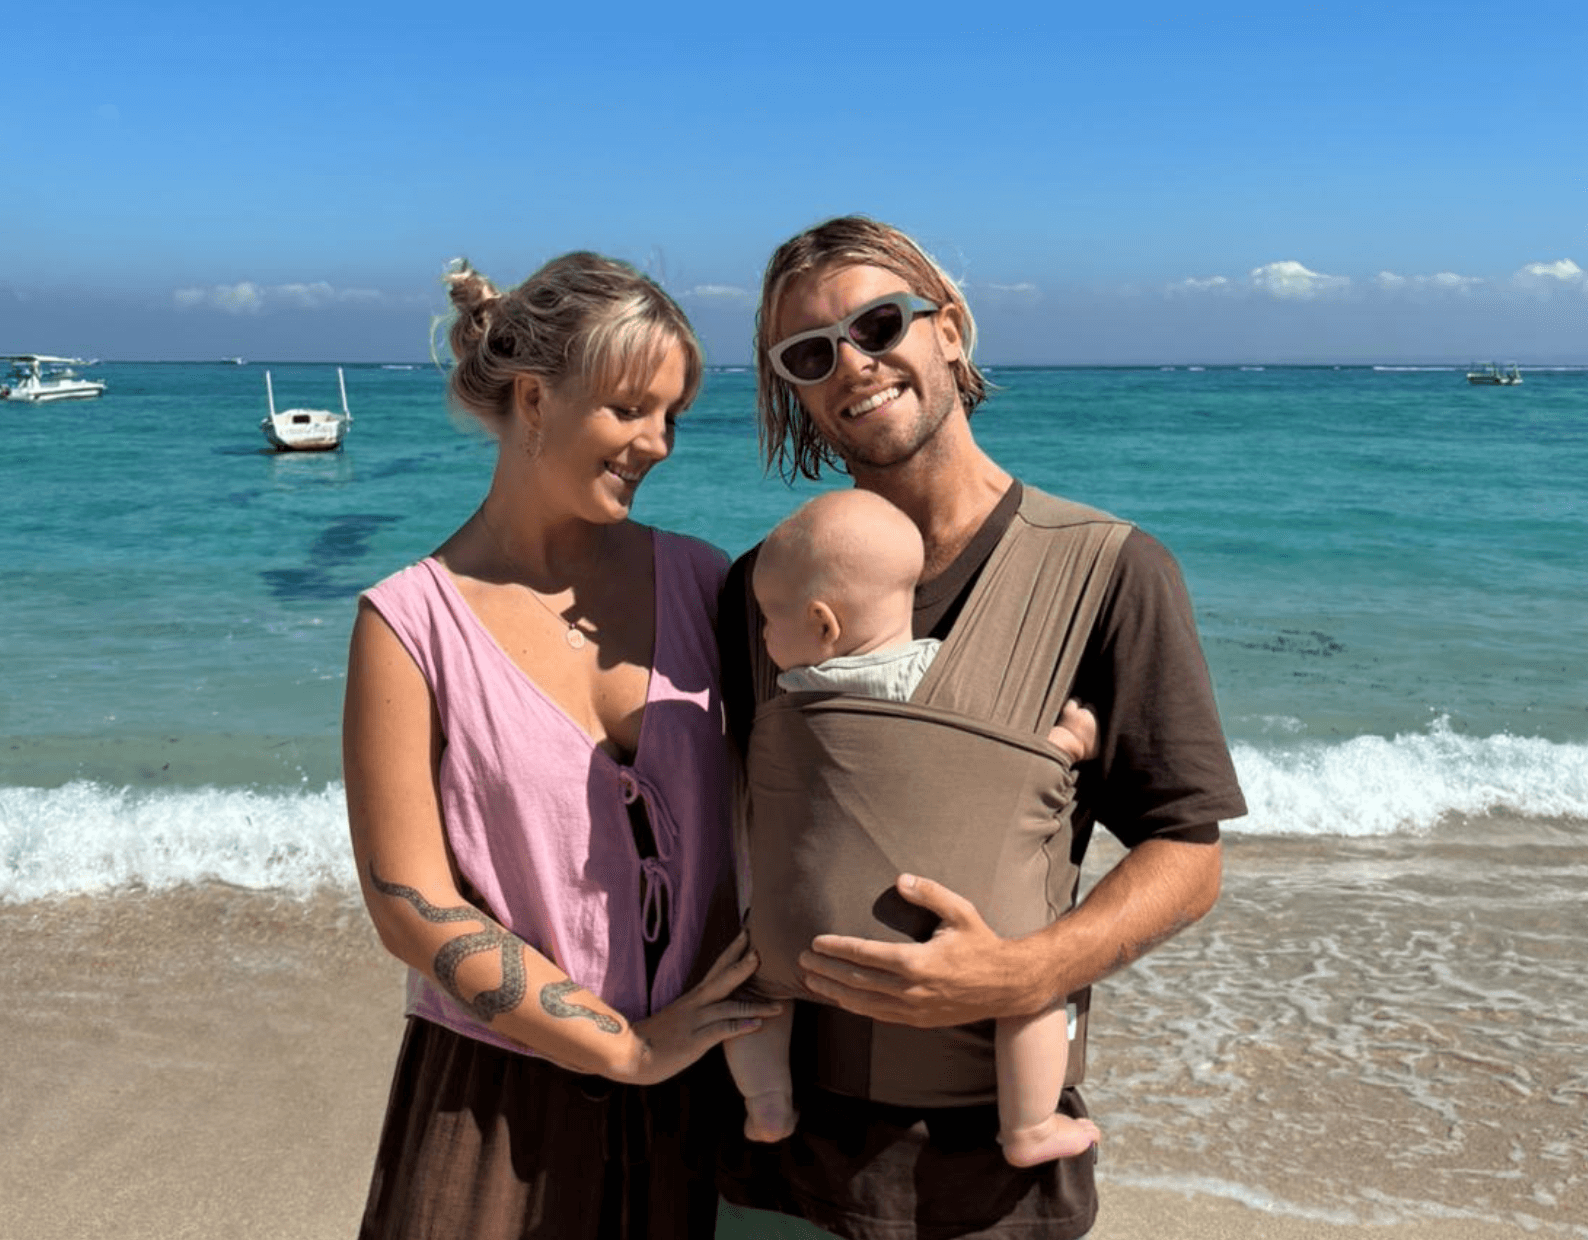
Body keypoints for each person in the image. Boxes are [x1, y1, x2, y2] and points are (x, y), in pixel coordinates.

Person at [715, 217, 1249, 1239]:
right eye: (809, 354)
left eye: (879, 325)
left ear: (948, 331)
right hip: (775, 1159)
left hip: (984, 1183)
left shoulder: (1108, 572)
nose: (853, 366)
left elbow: (1187, 853)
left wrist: (1025, 973)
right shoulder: (764, 590)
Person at [342, 252, 777, 1239]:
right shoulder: (408, 625)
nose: (658, 443)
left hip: (706, 1083)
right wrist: (622, 1047)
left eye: (673, 415)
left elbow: (817, 754)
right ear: (535, 397)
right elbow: (408, 905)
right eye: (630, 409)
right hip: (497, 1102)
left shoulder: (706, 585)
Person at [726, 487, 1105, 1168]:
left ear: (823, 626)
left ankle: (768, 1102)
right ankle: (1029, 1127)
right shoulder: (963, 688)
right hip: (970, 937)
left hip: (797, 937)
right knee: (1033, 992)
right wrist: (1069, 743)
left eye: (767, 621)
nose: (761, 638)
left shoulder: (795, 691)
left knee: (752, 989)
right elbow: (1013, 765)